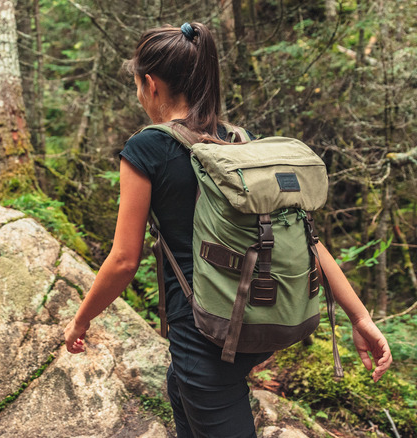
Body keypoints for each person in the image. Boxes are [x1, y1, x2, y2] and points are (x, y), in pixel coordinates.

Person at [63, 22, 392, 437]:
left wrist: (80, 320)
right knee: (180, 392)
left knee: (197, 389)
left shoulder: (147, 149)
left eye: (137, 84)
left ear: (151, 84)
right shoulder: (239, 141)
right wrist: (360, 317)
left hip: (204, 335)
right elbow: (309, 239)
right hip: (254, 321)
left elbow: (125, 260)